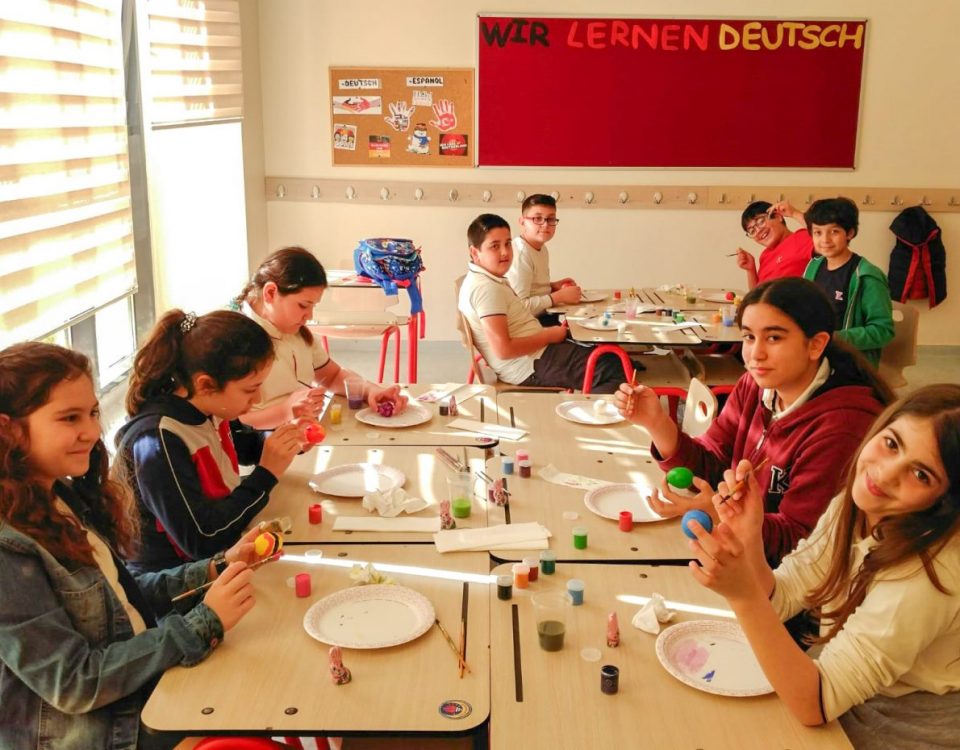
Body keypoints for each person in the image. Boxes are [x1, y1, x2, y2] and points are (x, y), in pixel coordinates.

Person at [0, 342, 262, 750]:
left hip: (143, 690)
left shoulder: (60, 496)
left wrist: (215, 567)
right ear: (10, 430)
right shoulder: (9, 549)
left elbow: (121, 600)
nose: (91, 432)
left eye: (92, 413)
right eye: (69, 418)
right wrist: (204, 621)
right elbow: (74, 683)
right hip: (112, 731)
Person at [687, 384, 960, 748]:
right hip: (839, 687)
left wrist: (743, 596)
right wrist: (750, 535)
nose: (885, 473)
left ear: (945, 501)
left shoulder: (929, 576)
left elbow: (816, 702)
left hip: (905, 720)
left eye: (921, 474)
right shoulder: (858, 505)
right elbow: (783, 596)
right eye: (892, 443)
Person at [615, 277, 893, 565]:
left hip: (784, 576)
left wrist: (719, 514)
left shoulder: (842, 426)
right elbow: (712, 464)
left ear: (816, 345)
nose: (756, 354)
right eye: (749, 337)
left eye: (774, 338)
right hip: (743, 549)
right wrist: (657, 423)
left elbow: (800, 543)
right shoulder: (755, 385)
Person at [116, 309, 305, 574]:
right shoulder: (158, 441)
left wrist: (284, 441)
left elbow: (246, 445)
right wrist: (265, 475)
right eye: (250, 389)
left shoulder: (208, 406)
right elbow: (203, 540)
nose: (259, 398)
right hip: (180, 579)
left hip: (222, 552)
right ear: (206, 385)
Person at [233, 246, 407, 429]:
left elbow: (332, 376)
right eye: (303, 305)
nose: (309, 316)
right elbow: (230, 426)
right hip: (264, 441)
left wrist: (371, 391)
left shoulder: (293, 330)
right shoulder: (234, 340)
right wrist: (285, 411)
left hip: (302, 431)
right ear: (270, 293)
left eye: (313, 306)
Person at [459, 213, 626, 393]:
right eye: (494, 246)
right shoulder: (486, 289)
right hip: (527, 365)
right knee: (614, 368)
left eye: (507, 243)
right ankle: (590, 409)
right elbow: (504, 350)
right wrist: (549, 335)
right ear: (474, 252)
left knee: (610, 353)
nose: (505, 252)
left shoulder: (486, 279)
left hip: (533, 354)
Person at [802, 197, 895, 367]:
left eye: (834, 232)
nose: (825, 240)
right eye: (818, 232)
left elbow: (883, 331)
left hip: (849, 362)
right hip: (816, 354)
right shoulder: (813, 267)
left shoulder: (867, 276)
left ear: (850, 233)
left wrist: (835, 338)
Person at [505, 194, 581, 325]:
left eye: (551, 219)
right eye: (538, 218)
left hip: (542, 319)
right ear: (522, 222)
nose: (545, 225)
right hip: (527, 327)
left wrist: (552, 286)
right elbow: (520, 309)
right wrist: (559, 297)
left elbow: (532, 288)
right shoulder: (521, 254)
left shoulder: (541, 248)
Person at [734, 200, 814, 289]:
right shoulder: (765, 256)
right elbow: (756, 294)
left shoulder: (802, 237)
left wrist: (794, 213)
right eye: (752, 231)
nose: (758, 231)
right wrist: (751, 270)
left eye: (760, 221)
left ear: (778, 216)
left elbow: (822, 233)